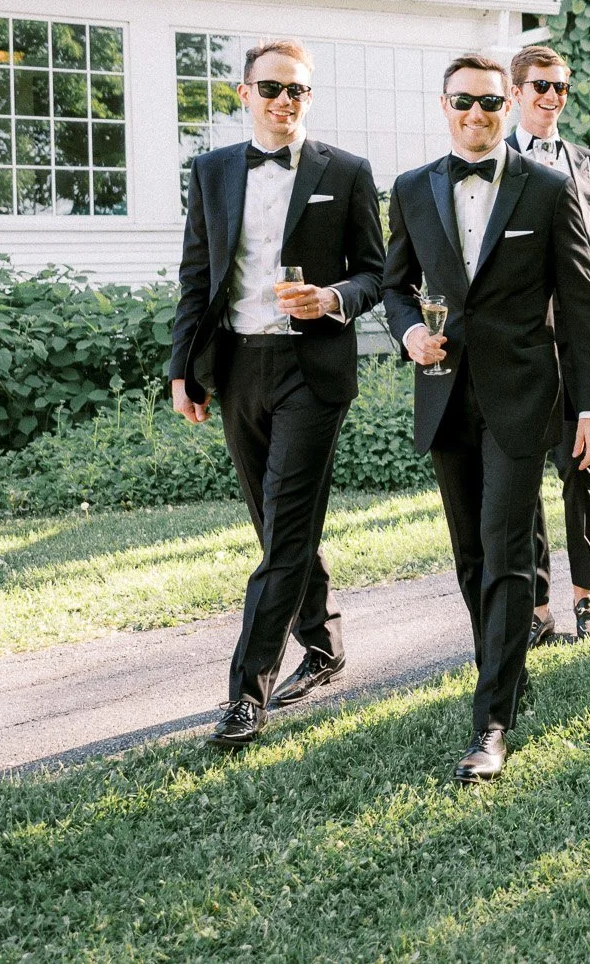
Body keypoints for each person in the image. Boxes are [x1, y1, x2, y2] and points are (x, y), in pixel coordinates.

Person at [382, 54, 590, 783]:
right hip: (446, 391)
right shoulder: (412, 188)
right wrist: (408, 332)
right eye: (464, 102)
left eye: (489, 103)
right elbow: (396, 286)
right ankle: (506, 673)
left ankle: (492, 723)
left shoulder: (547, 188)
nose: (478, 115)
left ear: (507, 104)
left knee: (506, 545)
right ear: (443, 103)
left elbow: (582, 304)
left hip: (523, 395)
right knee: (470, 556)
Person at [172, 40, 385, 748]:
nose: (284, 100)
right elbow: (196, 278)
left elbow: (375, 275)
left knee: (286, 524)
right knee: (277, 524)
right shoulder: (208, 172)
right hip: (237, 365)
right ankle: (324, 643)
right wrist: (184, 369)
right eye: (271, 88)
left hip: (312, 369)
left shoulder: (346, 172)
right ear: (244, 93)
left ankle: (246, 693)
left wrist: (329, 297)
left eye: (297, 90)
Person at [504, 44, 590, 646]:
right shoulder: (496, 163)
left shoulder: (588, 163)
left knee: (582, 473)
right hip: (521, 350)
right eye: (541, 86)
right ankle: (539, 603)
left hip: (579, 346)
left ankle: (587, 596)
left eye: (561, 88)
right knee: (522, 479)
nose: (552, 97)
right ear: (516, 92)